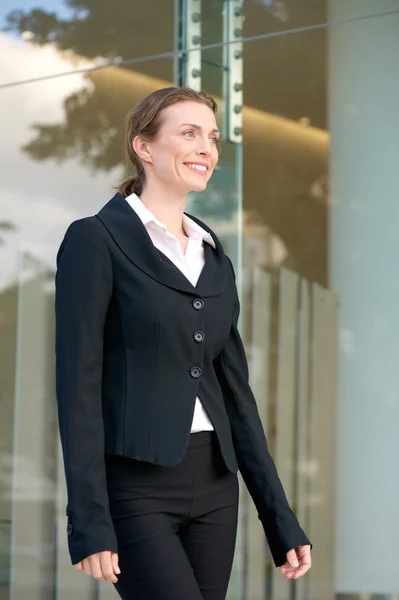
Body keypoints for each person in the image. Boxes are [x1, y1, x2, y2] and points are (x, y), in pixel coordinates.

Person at [55, 86, 312, 600]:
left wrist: (278, 518)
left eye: (212, 138)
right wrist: (89, 519)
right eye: (189, 134)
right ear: (143, 147)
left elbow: (237, 397)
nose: (206, 149)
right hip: (135, 486)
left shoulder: (214, 259)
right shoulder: (95, 239)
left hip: (216, 485)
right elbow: (77, 385)